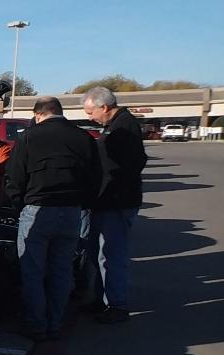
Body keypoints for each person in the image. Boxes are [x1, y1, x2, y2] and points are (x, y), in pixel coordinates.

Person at [6, 97, 102, 341]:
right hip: (71, 211)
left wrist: (19, 204)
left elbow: (15, 176)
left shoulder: (29, 137)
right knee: (62, 270)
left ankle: (37, 325)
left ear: (38, 114)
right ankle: (55, 323)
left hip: (37, 210)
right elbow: (95, 177)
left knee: (33, 271)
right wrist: (83, 204)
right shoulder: (83, 138)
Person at [82, 86, 147, 323]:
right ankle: (102, 300)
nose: (90, 118)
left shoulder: (124, 127)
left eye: (91, 113)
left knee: (112, 256)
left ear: (105, 107)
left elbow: (129, 167)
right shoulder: (115, 125)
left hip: (116, 204)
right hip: (107, 203)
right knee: (100, 255)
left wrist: (109, 193)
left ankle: (117, 306)